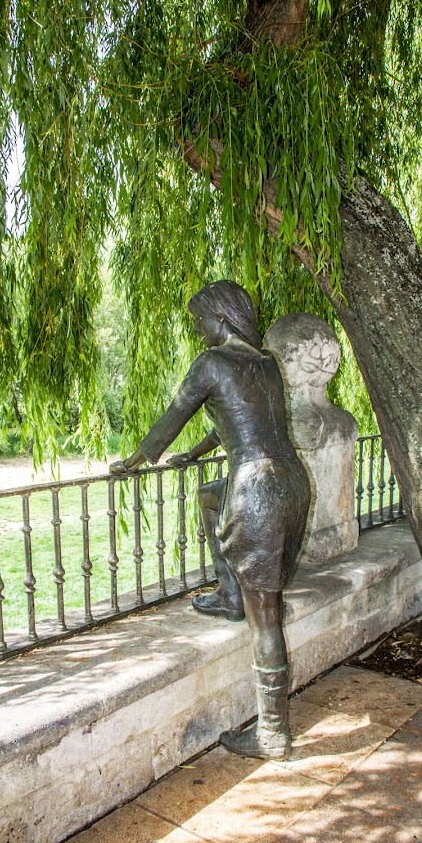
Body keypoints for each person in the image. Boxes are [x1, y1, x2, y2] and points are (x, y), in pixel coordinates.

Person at [110, 280, 310, 760]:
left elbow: (175, 413)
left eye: (200, 320)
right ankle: (228, 593)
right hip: (291, 482)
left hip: (257, 488)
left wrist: (137, 460)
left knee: (268, 622)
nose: (198, 330)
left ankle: (273, 734)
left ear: (220, 319)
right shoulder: (266, 364)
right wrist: (194, 454)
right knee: (208, 496)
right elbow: (242, 419)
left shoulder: (212, 362)